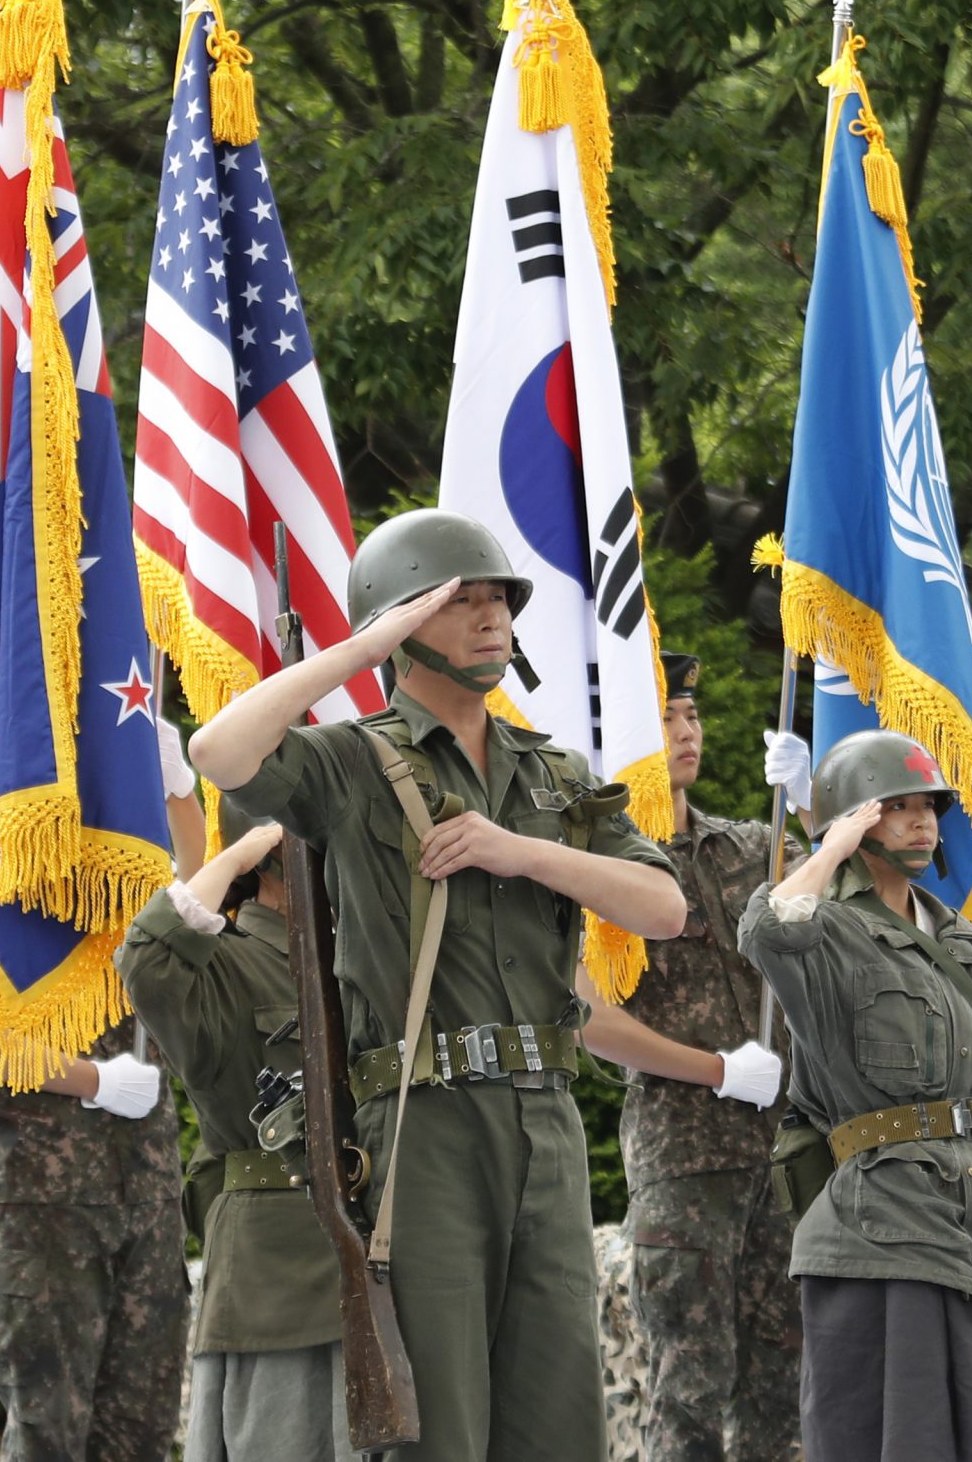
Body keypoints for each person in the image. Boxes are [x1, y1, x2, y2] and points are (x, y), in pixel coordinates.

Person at [188, 506, 684, 1462]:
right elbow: (220, 752)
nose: (493, 618)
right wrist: (356, 648)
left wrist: (521, 853)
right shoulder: (352, 762)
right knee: (440, 1428)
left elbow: (663, 907)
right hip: (422, 1124)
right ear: (402, 621)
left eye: (501, 599)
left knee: (558, 1418)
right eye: (464, 601)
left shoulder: (550, 773)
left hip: (545, 1115)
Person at [740, 729, 972, 1462]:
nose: (923, 822)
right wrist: (829, 847)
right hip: (885, 1235)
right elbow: (765, 929)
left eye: (929, 807)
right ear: (856, 820)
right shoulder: (828, 933)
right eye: (897, 807)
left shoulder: (966, 944)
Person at [0, 711, 198, 1462]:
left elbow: (195, 915)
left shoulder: (124, 848)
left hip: (148, 1192)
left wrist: (177, 791)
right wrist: (89, 1079)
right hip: (37, 1198)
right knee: (49, 1440)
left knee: (143, 1439)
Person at [575, 651, 799, 1462]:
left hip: (778, 1156)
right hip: (684, 1160)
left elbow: (843, 912)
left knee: (784, 1388)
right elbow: (583, 1016)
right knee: (689, 1395)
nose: (685, 732)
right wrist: (714, 1070)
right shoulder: (600, 868)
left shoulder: (748, 848)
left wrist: (816, 804)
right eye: (666, 717)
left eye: (692, 715)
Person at [118, 798, 352, 1462]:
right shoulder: (223, 963)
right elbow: (145, 957)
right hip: (278, 1278)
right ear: (275, 860)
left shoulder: (358, 961)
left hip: (383, 1260)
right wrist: (244, 849)